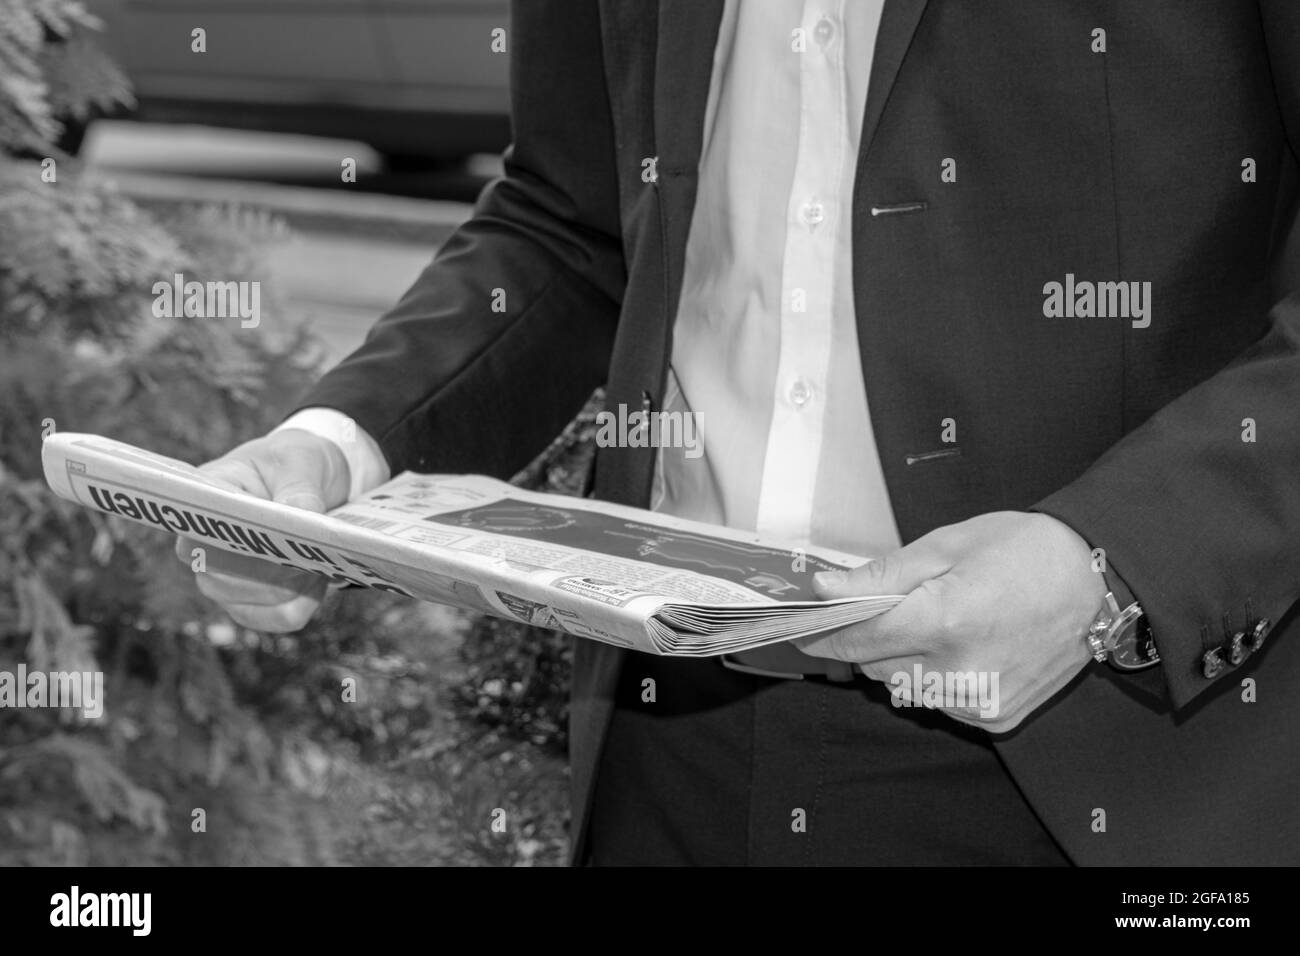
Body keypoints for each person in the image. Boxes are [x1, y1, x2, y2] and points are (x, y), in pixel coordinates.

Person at [181, 0, 1300, 865]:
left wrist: (1102, 567)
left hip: (1091, 757)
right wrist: (344, 441)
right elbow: (571, 219)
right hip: (663, 730)